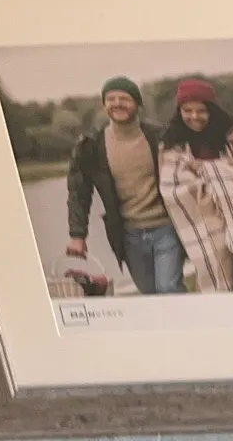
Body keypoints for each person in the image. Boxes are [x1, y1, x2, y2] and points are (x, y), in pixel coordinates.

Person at [65, 76, 187, 295]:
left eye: (124, 98)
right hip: (128, 235)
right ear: (104, 105)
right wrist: (77, 235)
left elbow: (198, 141)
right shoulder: (91, 145)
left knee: (169, 288)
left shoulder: (160, 135)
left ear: (137, 104)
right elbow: (78, 192)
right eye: (111, 99)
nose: (117, 103)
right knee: (149, 294)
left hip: (167, 227)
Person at [158, 77, 233, 293]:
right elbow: (174, 186)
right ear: (179, 111)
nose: (194, 116)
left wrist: (206, 169)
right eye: (187, 110)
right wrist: (214, 173)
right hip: (206, 223)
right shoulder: (173, 144)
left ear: (212, 111)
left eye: (201, 110)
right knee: (216, 266)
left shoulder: (231, 138)